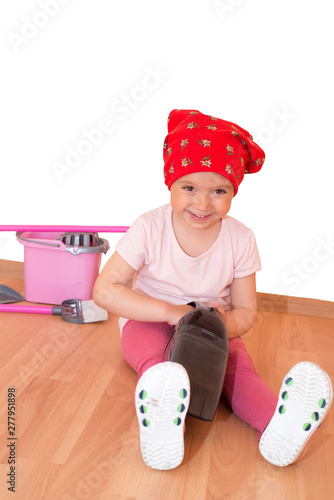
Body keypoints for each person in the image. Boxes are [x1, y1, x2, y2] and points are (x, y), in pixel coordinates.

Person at [93, 109, 332, 471]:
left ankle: (277, 429)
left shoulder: (241, 239)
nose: (203, 204)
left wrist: (223, 326)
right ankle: (160, 414)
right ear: (170, 184)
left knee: (237, 372)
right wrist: (171, 313)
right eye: (189, 188)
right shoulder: (148, 227)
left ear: (233, 191)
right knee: (156, 359)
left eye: (218, 191)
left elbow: (247, 311)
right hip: (151, 319)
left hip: (210, 329)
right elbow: (106, 291)